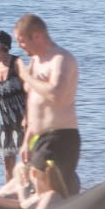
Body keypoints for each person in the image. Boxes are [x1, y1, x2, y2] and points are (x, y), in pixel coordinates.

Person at [16, 13, 81, 195]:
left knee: (48, 191)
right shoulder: (36, 61)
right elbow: (34, 105)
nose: (20, 46)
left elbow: (56, 94)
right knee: (32, 188)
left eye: (22, 41)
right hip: (39, 139)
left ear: (36, 36)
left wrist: (26, 76)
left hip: (60, 138)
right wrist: (27, 141)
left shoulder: (61, 59)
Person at [0, 29, 29, 179]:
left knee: (26, 162)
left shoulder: (17, 64)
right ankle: (10, 197)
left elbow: (30, 92)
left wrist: (28, 117)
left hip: (22, 123)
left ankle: (31, 195)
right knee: (7, 163)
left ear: (1, 45)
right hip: (6, 124)